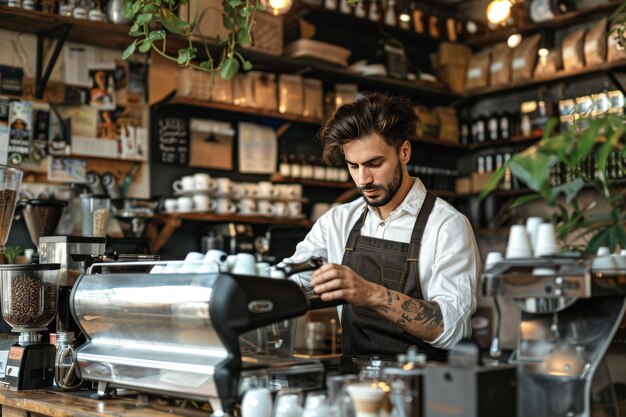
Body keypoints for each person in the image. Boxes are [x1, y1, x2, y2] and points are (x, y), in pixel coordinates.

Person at [284, 92, 480, 372]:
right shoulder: (338, 221)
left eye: (375, 164)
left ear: (404, 152)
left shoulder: (447, 226)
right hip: (354, 385)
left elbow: (454, 327)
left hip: (423, 389)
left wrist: (369, 293)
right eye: (354, 166)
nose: (363, 179)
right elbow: (292, 276)